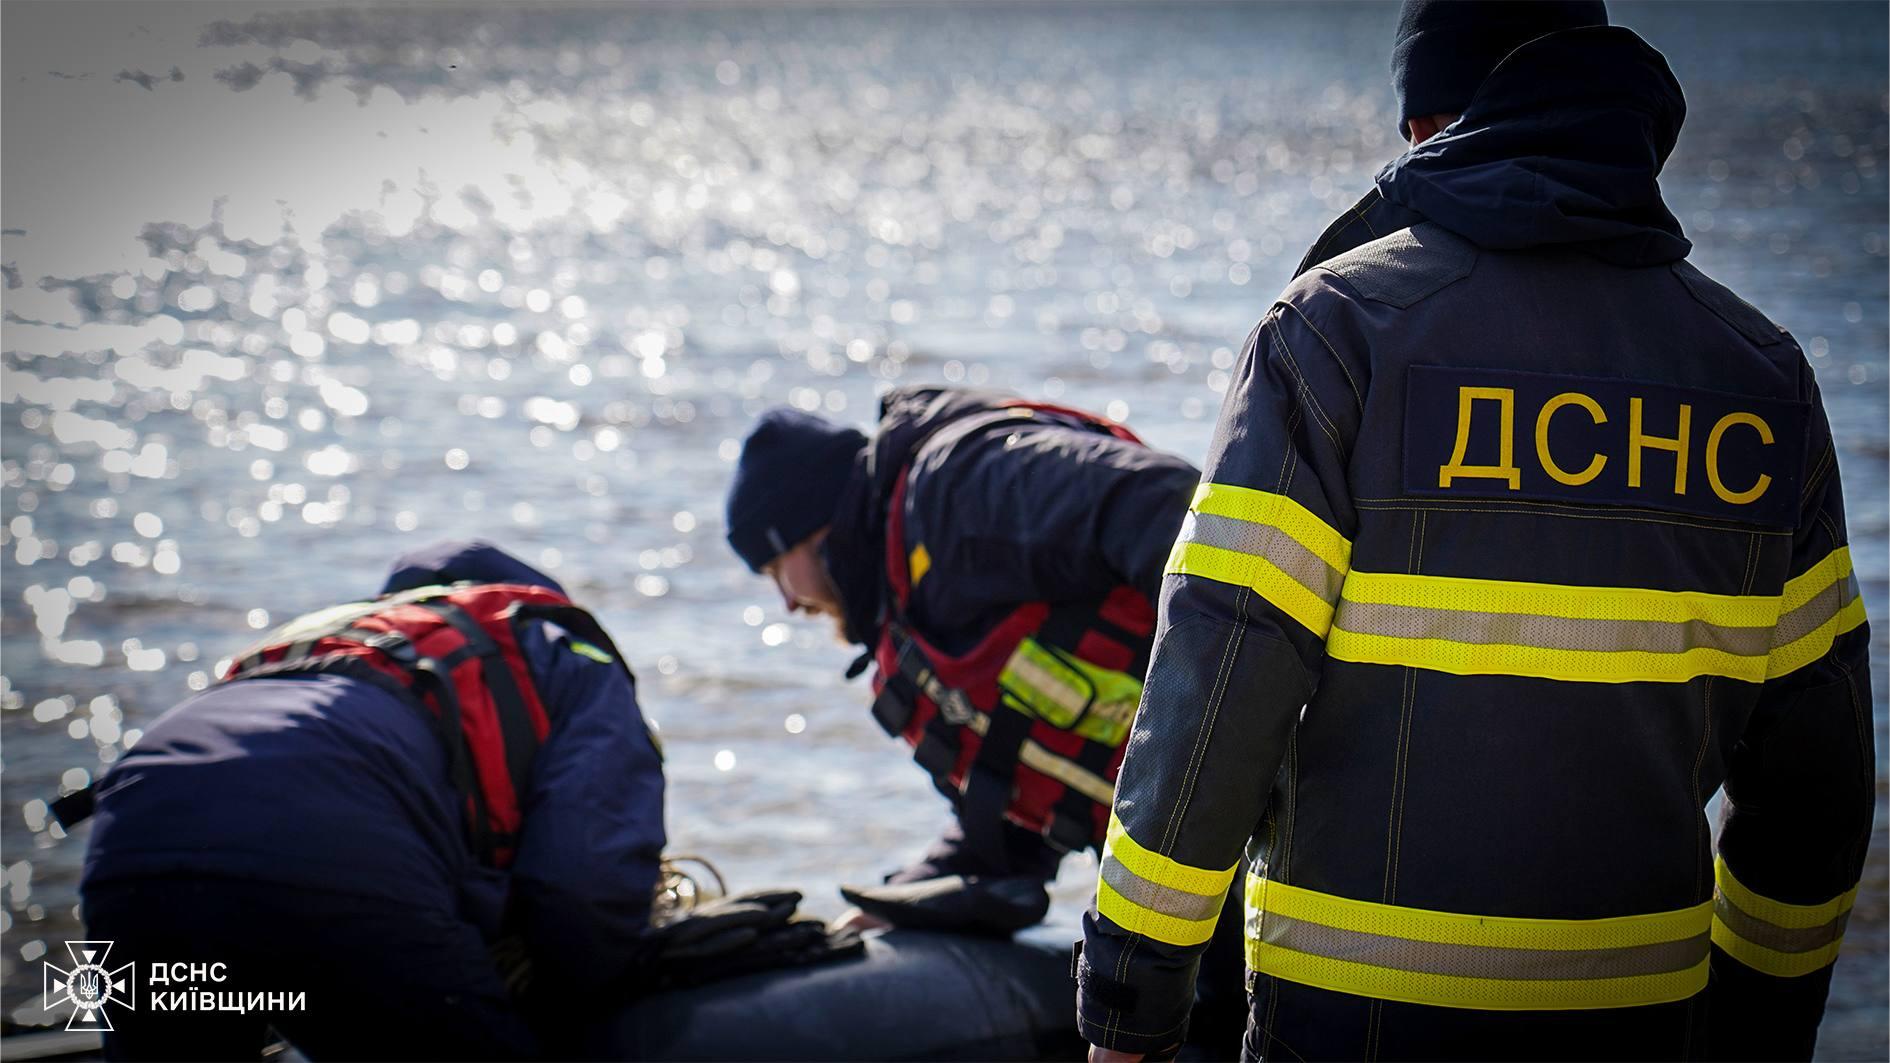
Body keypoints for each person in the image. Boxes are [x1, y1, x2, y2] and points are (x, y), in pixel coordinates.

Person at [1076, 3, 1875, 1061]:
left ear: (1429, 126)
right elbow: (1815, 798)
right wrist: (1755, 1033)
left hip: (1349, 1027)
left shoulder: (1334, 332)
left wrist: (1129, 1008)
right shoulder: (1760, 380)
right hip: (1637, 1029)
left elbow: (1215, 695)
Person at [724, 387, 1249, 1055]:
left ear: (814, 530)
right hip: (1184, 861)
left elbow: (1166, 504)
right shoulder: (910, 601)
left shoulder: (959, 485)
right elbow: (1017, 811)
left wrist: (1209, 723)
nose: (788, 601)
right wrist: (911, 897)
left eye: (776, 568)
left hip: (1249, 802)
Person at [74, 541, 666, 1060]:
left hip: (128, 844)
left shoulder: (320, 642)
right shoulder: (555, 642)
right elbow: (583, 878)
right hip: (328, 848)